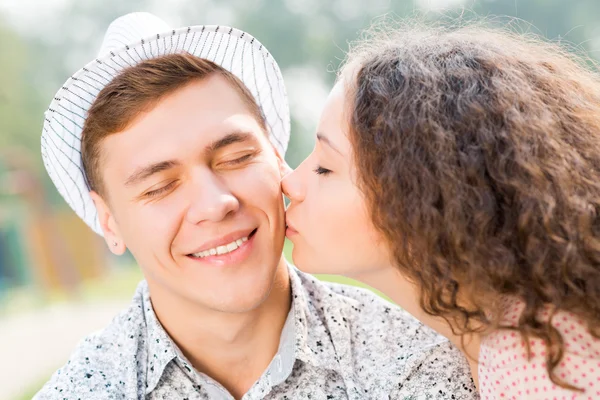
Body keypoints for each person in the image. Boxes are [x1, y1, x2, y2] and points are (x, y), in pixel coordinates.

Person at [35, 13, 478, 399]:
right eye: (160, 187)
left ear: (277, 158)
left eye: (235, 158)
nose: (215, 205)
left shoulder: (416, 364)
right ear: (109, 222)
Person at [283, 21, 600, 399]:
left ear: (418, 197)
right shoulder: (521, 336)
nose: (290, 182)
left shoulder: (538, 366)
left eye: (325, 167)